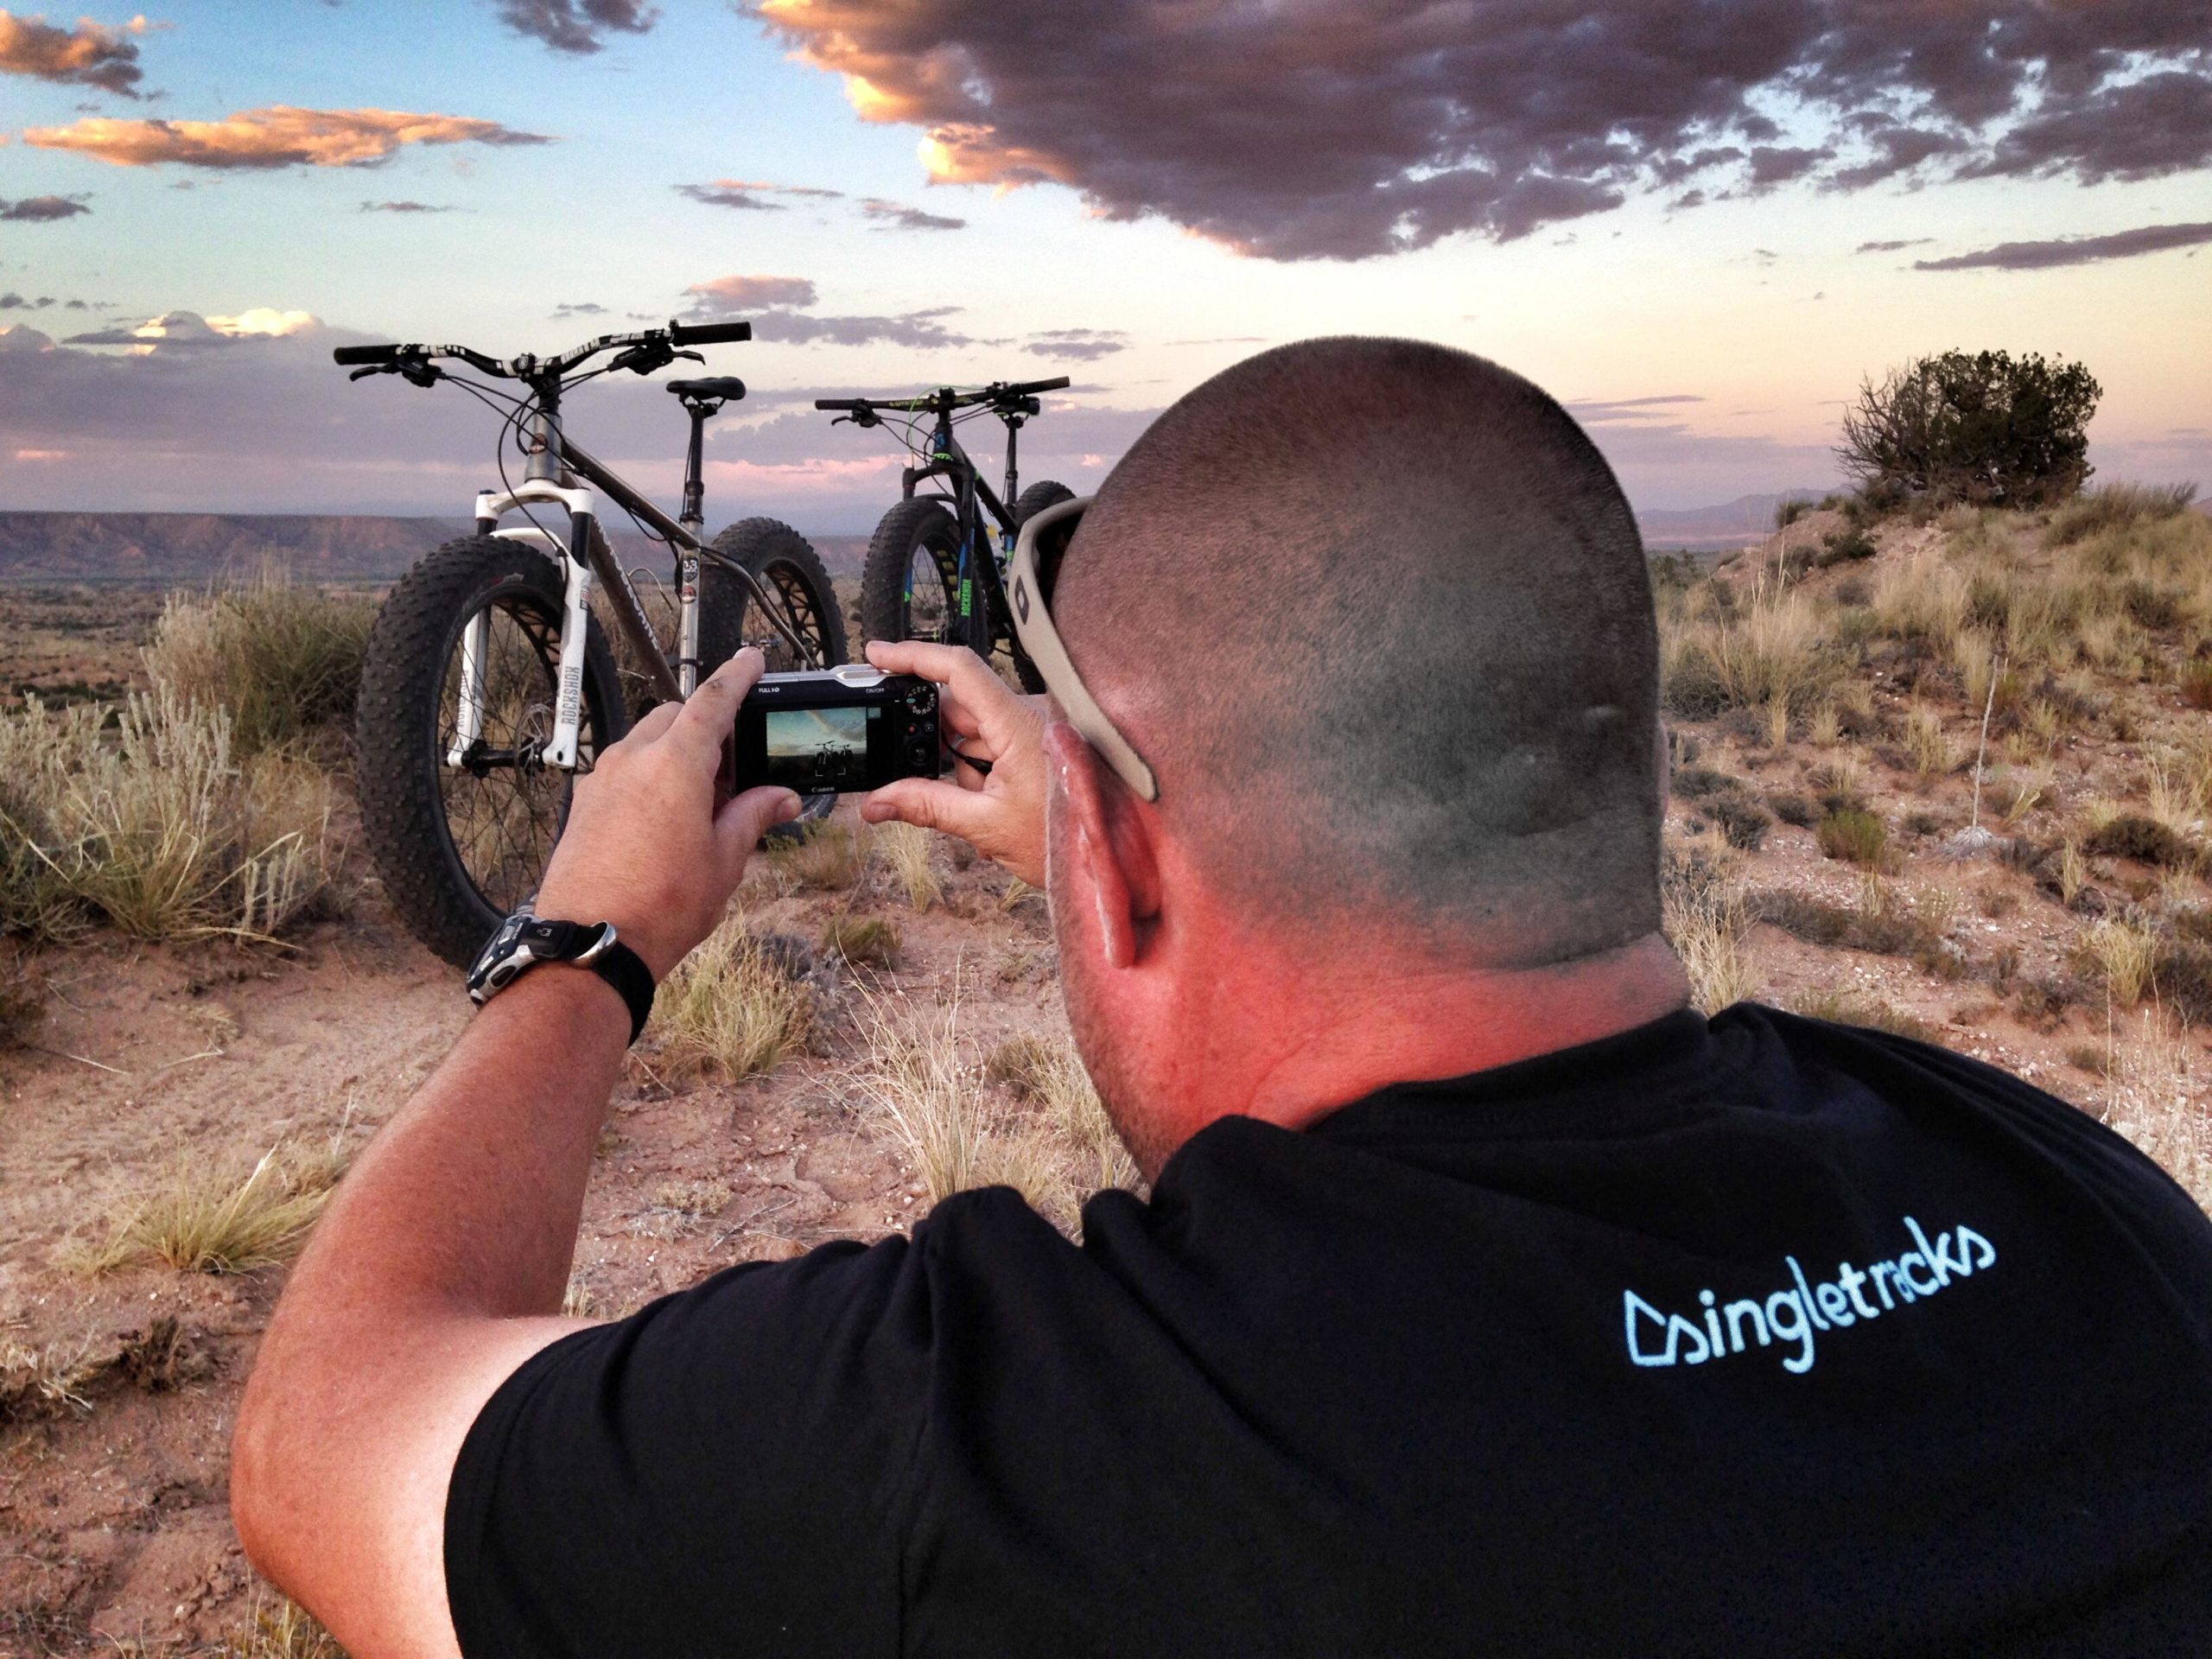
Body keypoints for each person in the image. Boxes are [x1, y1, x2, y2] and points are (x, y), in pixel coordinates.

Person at [232, 339, 2212, 1657]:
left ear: (1143, 850)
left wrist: (589, 942)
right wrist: (1124, 858)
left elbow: (325, 1445)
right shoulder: (2069, 1196)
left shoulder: (1008, 1454)